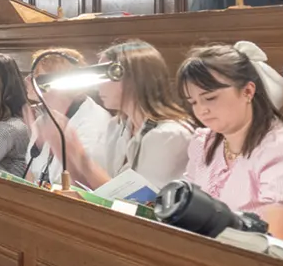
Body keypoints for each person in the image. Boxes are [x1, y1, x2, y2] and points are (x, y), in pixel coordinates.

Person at [177, 42, 283, 239]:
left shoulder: (282, 147)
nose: (201, 110)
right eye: (193, 102)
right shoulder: (204, 141)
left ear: (247, 92)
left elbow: (279, 245)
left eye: (210, 98)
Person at [37, 41, 194, 192]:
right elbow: (97, 190)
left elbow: (137, 205)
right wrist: (64, 150)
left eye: (104, 77)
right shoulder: (117, 125)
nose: (98, 85)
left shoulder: (169, 135)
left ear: (131, 79)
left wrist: (79, 155)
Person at [22, 48, 112, 186]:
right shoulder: (44, 119)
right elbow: (31, 174)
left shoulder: (94, 122)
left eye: (36, 75)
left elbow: (86, 186)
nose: (27, 79)